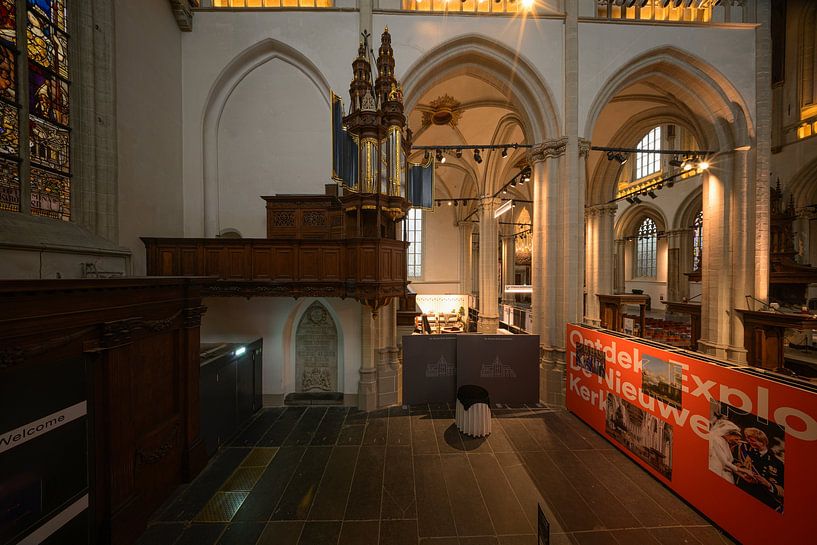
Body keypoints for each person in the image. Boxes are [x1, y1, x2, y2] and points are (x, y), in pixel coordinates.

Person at [735, 427, 784, 512]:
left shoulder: (777, 463)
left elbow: (783, 489)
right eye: (748, 439)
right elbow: (732, 461)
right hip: (742, 493)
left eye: (753, 441)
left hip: (764, 501)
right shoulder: (744, 449)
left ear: (763, 442)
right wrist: (743, 470)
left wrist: (768, 484)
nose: (749, 442)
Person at [708, 419, 742, 483]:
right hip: (717, 471)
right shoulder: (716, 440)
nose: (737, 442)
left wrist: (742, 475)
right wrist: (743, 471)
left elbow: (728, 465)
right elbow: (725, 462)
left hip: (727, 475)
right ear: (729, 434)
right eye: (736, 439)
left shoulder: (726, 443)